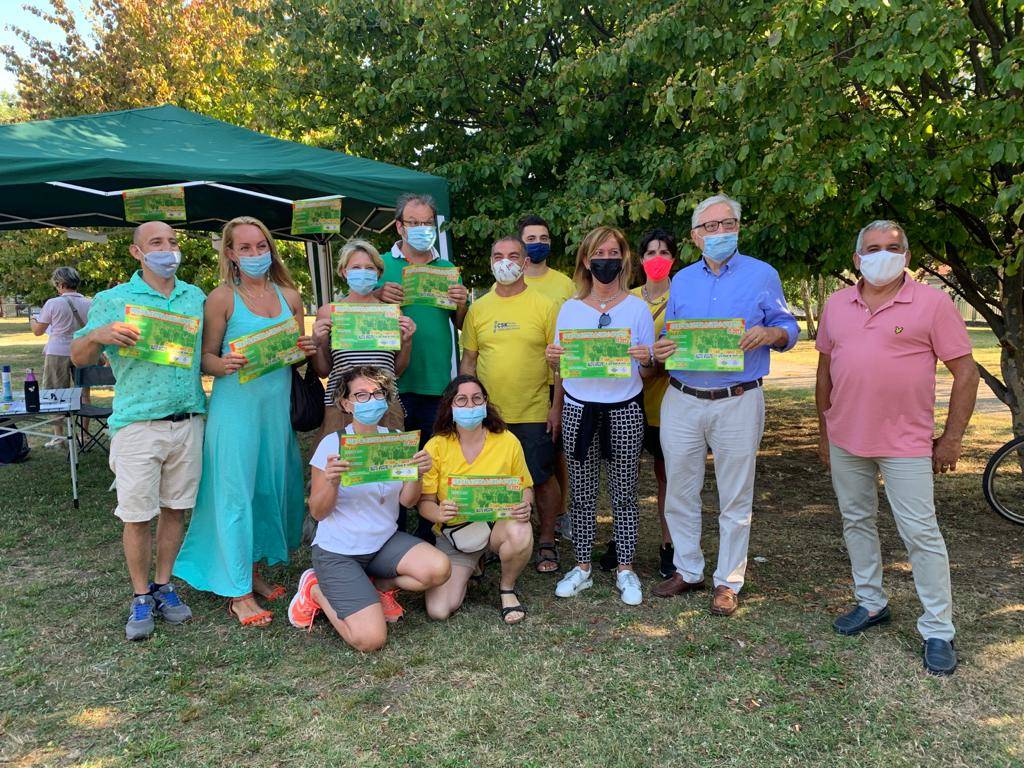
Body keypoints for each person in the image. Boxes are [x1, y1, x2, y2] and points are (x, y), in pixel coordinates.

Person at [815, 220, 978, 676]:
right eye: (872, 248)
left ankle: (939, 629)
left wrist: (951, 438)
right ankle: (870, 603)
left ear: (906, 257)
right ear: (857, 259)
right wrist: (824, 432)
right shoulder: (836, 304)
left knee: (921, 534)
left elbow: (966, 373)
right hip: (847, 436)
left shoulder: (932, 303)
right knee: (856, 521)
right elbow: (825, 372)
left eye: (892, 247)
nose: (882, 254)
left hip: (906, 443)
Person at [652, 194, 798, 616]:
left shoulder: (762, 274)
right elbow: (672, 336)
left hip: (738, 398)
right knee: (679, 490)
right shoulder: (682, 280)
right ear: (695, 237)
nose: (719, 232)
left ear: (738, 227)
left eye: (727, 223)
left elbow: (787, 326)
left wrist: (770, 335)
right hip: (682, 398)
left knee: (735, 495)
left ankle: (727, 581)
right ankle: (687, 569)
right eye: (710, 227)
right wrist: (662, 349)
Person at [173, 216, 314, 627]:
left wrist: (306, 347)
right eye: (246, 248)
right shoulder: (221, 298)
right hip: (235, 411)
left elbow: (297, 355)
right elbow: (205, 358)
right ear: (231, 254)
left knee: (268, 489)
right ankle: (237, 592)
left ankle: (252, 571)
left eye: (262, 246)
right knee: (234, 494)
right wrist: (224, 363)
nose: (255, 254)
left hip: (275, 413)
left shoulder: (290, 297)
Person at [71, 221, 206, 641]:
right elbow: (77, 356)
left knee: (175, 508)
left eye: (172, 242)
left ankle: (164, 585)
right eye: (156, 243)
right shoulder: (115, 300)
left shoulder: (194, 297)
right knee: (137, 515)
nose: (167, 250)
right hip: (137, 424)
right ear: (137, 253)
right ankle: (140, 594)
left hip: (188, 419)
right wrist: (98, 334)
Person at [287, 366, 450, 651]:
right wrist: (333, 482)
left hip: (383, 543)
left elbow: (407, 502)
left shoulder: (396, 440)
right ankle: (314, 590)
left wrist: (417, 473)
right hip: (339, 551)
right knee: (371, 640)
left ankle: (378, 587)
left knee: (438, 569)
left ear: (386, 399)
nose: (370, 400)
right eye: (360, 395)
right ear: (346, 404)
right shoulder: (332, 444)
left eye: (377, 393)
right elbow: (318, 513)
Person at [545, 226, 655, 606]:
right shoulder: (570, 309)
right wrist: (554, 366)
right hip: (579, 410)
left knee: (625, 494)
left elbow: (648, 371)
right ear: (586, 260)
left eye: (613, 252)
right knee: (583, 493)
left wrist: (647, 360)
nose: (606, 259)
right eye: (599, 252)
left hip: (625, 410)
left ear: (623, 258)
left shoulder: (637, 308)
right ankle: (583, 567)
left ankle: (625, 568)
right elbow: (561, 367)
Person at [461, 235, 560, 573]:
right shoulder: (479, 308)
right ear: (490, 261)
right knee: (490, 478)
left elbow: (557, 364)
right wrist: (465, 406)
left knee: (540, 477)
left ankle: (547, 539)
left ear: (524, 261)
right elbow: (469, 362)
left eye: (513, 255)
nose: (505, 261)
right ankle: (492, 541)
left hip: (533, 410)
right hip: (488, 414)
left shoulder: (545, 306)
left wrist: (556, 406)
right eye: (498, 255)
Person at [419, 375, 535, 624]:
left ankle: (507, 589)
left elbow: (525, 486)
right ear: (450, 406)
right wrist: (438, 514)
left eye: (476, 398)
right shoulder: (436, 446)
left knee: (520, 531)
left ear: (485, 403)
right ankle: (476, 561)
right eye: (461, 400)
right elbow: (424, 503)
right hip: (458, 534)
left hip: (498, 527)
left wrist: (526, 504)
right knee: (439, 610)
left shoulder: (507, 440)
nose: (470, 405)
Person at [598, 229, 677, 578]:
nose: (657, 258)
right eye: (650, 252)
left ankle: (669, 545)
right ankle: (621, 542)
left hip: (666, 403)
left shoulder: (683, 297)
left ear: (673, 258)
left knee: (666, 479)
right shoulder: (623, 299)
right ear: (640, 259)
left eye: (664, 251)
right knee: (623, 478)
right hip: (624, 402)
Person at [378, 193, 468, 447]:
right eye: (414, 223)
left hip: (436, 384)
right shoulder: (379, 265)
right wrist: (377, 293)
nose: (422, 229)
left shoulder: (448, 270)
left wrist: (461, 303)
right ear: (399, 226)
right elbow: (354, 308)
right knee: (397, 463)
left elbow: (461, 324)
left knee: (431, 461)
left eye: (427, 222)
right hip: (392, 382)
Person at [518, 214, 577, 562]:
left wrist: (559, 396)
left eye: (544, 237)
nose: (538, 242)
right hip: (514, 392)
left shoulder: (564, 284)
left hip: (554, 386)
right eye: (530, 237)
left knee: (555, 459)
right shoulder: (506, 281)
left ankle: (556, 520)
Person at [311, 239, 416, 435]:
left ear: (378, 273)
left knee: (386, 463)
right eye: (356, 267)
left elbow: (397, 370)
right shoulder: (329, 313)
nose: (363, 272)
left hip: (384, 404)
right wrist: (317, 343)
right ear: (344, 271)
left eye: (369, 267)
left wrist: (407, 341)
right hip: (341, 405)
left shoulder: (391, 314)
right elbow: (323, 370)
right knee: (340, 462)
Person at [31, 267, 92, 447]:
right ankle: (85, 434)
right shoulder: (90, 303)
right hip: (82, 351)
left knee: (55, 394)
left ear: (61, 284)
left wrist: (33, 321)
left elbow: (38, 331)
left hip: (58, 351)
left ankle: (59, 436)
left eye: (56, 284)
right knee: (84, 394)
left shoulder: (53, 303)